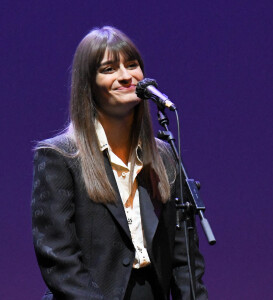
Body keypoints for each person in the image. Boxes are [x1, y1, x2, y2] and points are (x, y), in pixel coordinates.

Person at [31, 26, 208, 300]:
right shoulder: (59, 156)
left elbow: (184, 257)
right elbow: (59, 259)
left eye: (132, 65)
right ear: (88, 83)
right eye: (109, 69)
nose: (126, 76)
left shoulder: (164, 156)